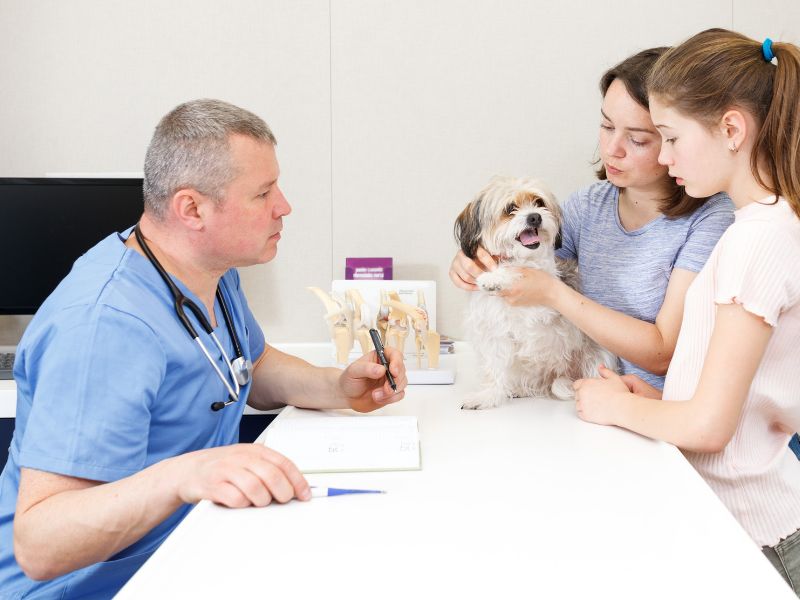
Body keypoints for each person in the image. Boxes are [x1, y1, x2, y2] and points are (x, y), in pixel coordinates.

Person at [0, 99, 407, 597]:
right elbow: (40, 546)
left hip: (185, 549)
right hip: (89, 586)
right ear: (191, 208)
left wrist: (338, 386)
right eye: (263, 193)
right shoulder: (103, 329)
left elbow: (248, 363)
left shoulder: (206, 269)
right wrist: (187, 474)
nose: (284, 206)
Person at [572, 29, 800, 594]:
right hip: (739, 522)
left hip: (757, 534)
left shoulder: (757, 240)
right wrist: (659, 400)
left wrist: (611, 407)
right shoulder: (756, 228)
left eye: (669, 137)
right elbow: (740, 400)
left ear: (731, 130)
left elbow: (711, 427)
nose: (664, 157)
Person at [450, 48, 734, 390]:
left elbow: (663, 352)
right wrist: (475, 257)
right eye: (606, 125)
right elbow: (529, 263)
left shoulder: (709, 219)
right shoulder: (588, 205)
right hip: (585, 399)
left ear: (676, 138)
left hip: (659, 409)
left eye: (637, 139)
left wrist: (555, 294)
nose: (612, 148)